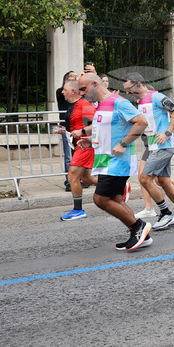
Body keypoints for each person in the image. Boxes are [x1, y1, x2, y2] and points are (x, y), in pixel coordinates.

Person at [77, 73, 152, 251]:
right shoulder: (101, 105)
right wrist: (90, 141)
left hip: (118, 161)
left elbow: (141, 122)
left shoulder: (119, 102)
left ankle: (138, 227)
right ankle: (141, 234)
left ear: (95, 84)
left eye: (83, 89)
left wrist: (123, 143)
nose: (81, 93)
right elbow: (106, 129)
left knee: (101, 199)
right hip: (104, 160)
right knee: (115, 199)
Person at [122, 73, 174, 230]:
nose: (127, 92)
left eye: (128, 89)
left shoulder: (156, 97)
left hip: (163, 146)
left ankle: (166, 213)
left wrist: (167, 133)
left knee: (144, 179)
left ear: (138, 84)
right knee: (163, 181)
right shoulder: (140, 101)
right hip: (154, 146)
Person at [57, 78, 97, 219]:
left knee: (72, 175)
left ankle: (78, 210)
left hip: (85, 145)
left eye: (65, 90)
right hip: (76, 145)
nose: (62, 92)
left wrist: (83, 132)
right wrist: (64, 130)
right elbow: (75, 126)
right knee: (87, 179)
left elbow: (99, 123)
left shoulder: (84, 105)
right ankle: (119, 187)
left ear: (73, 91)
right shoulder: (72, 105)